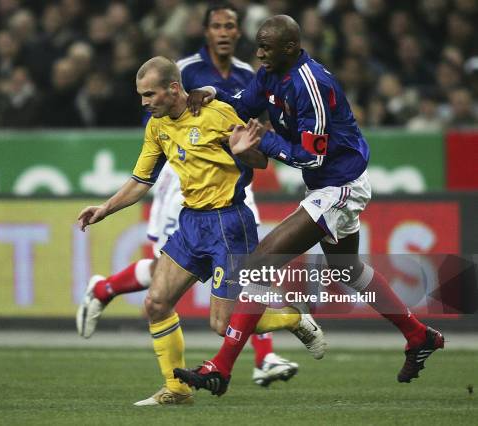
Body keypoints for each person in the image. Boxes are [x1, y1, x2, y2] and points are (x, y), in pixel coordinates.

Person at [173, 15, 444, 396]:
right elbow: (244, 105)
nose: (259, 52)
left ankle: (222, 367)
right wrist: (214, 94)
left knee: (259, 263)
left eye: (266, 46)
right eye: (259, 44)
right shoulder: (270, 72)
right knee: (346, 269)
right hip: (327, 184)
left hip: (339, 184)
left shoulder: (310, 84)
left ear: (289, 47)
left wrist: (264, 142)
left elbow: (311, 158)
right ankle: (419, 336)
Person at [77, 56, 324, 406]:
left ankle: (293, 317)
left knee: (223, 325)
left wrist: (242, 151)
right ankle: (177, 389)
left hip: (229, 223)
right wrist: (104, 209)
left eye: (150, 94)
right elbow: (140, 181)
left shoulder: (218, 113)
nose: (144, 103)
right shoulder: (157, 126)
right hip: (191, 222)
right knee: (156, 302)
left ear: (174, 89)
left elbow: (259, 160)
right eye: (141, 95)